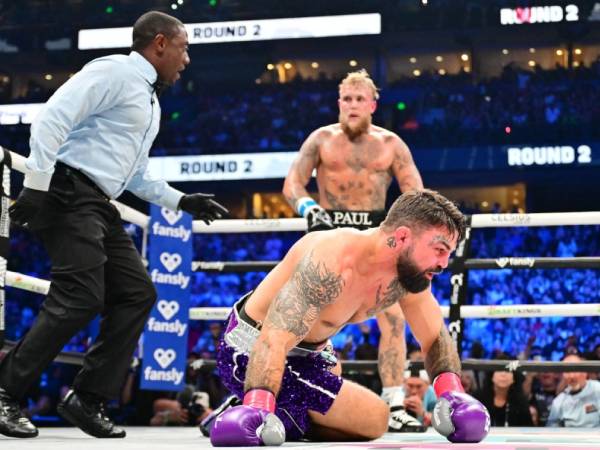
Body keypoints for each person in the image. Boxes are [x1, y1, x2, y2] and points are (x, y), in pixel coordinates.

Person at [0, 11, 228, 439]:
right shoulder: (115, 71)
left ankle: (87, 397)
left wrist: (182, 200)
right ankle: (4, 390)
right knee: (81, 294)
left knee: (137, 293)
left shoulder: (149, 101)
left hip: (96, 200)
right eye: (184, 48)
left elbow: (136, 175)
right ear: (160, 43)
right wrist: (37, 184)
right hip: (66, 190)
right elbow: (51, 118)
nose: (187, 59)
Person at [210, 190, 490, 445]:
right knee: (376, 417)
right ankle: (252, 405)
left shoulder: (409, 276)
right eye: (439, 250)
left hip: (312, 355)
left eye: (448, 253)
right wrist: (258, 403)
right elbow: (273, 337)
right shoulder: (332, 259)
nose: (443, 264)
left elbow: (435, 338)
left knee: (346, 415)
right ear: (403, 237)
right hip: (252, 347)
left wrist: (452, 393)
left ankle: (267, 412)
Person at [282, 69, 425, 432]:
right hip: (330, 236)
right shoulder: (321, 139)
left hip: (377, 238)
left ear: (373, 105)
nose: (353, 105)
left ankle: (394, 404)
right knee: (304, 317)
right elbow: (293, 184)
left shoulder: (391, 144)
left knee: (392, 318)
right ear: (339, 103)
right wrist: (307, 208)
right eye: (347, 99)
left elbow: (414, 192)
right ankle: (280, 393)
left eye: (360, 99)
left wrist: (401, 233)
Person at [547, 354, 600, 427]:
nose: (572, 376)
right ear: (563, 376)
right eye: (568, 372)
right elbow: (551, 431)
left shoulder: (597, 389)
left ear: (584, 373)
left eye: (575, 370)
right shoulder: (558, 402)